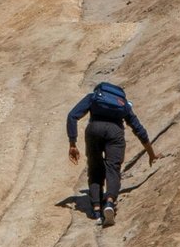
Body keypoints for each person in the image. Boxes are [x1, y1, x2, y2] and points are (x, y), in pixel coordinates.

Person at [66, 82, 155, 226]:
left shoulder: (93, 97)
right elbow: (139, 130)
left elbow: (72, 116)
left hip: (93, 129)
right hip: (115, 132)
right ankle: (109, 203)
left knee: (95, 168)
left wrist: (72, 143)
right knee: (113, 168)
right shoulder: (124, 105)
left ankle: (96, 210)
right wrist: (151, 153)